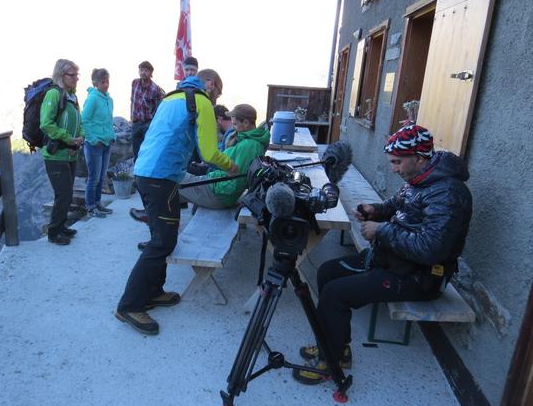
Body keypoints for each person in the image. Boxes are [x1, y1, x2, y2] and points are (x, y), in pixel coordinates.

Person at [292, 124, 473, 384]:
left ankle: (329, 362)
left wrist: (382, 231)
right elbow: (396, 205)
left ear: (420, 158)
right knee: (327, 272)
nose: (393, 168)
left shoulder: (449, 193)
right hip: (394, 261)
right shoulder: (420, 180)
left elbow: (431, 249)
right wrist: (374, 210)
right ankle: (336, 347)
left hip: (420, 277)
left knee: (335, 294)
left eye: (397, 162)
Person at [116, 69, 238, 335]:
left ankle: (154, 291)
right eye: (217, 92)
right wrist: (230, 165)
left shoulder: (174, 96)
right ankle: (129, 305)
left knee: (163, 234)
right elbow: (208, 151)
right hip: (161, 176)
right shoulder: (201, 100)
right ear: (211, 83)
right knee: (163, 241)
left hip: (148, 172)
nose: (216, 99)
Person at [179, 104, 270, 209]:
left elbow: (236, 183)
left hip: (219, 195)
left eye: (235, 124)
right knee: (171, 185)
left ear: (245, 123)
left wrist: (211, 180)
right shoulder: (246, 140)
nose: (232, 127)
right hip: (216, 185)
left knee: (171, 179)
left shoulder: (249, 146)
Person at [40, 59, 85, 245]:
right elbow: (46, 124)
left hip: (70, 154)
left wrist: (81, 135)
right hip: (56, 155)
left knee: (66, 193)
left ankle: (61, 226)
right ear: (61, 75)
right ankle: (54, 232)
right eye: (72, 75)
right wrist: (68, 138)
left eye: (77, 75)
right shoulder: (54, 95)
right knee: (64, 193)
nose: (76, 79)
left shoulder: (72, 97)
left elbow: (79, 121)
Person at [82, 68, 115, 218]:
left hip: (106, 143)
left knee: (102, 178)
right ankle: (90, 207)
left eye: (107, 81)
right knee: (93, 178)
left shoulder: (109, 99)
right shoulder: (93, 98)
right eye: (103, 82)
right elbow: (84, 120)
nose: (106, 84)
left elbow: (108, 121)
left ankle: (98, 203)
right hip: (94, 144)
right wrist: (93, 139)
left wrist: (112, 135)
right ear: (95, 83)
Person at [130, 61, 164, 160]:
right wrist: (131, 117)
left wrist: (155, 123)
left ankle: (146, 173)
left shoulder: (155, 88)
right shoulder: (135, 83)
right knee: (136, 150)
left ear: (150, 73)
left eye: (146, 70)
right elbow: (132, 100)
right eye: (141, 70)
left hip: (148, 123)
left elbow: (159, 108)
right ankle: (136, 173)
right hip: (136, 122)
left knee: (148, 150)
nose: (143, 72)